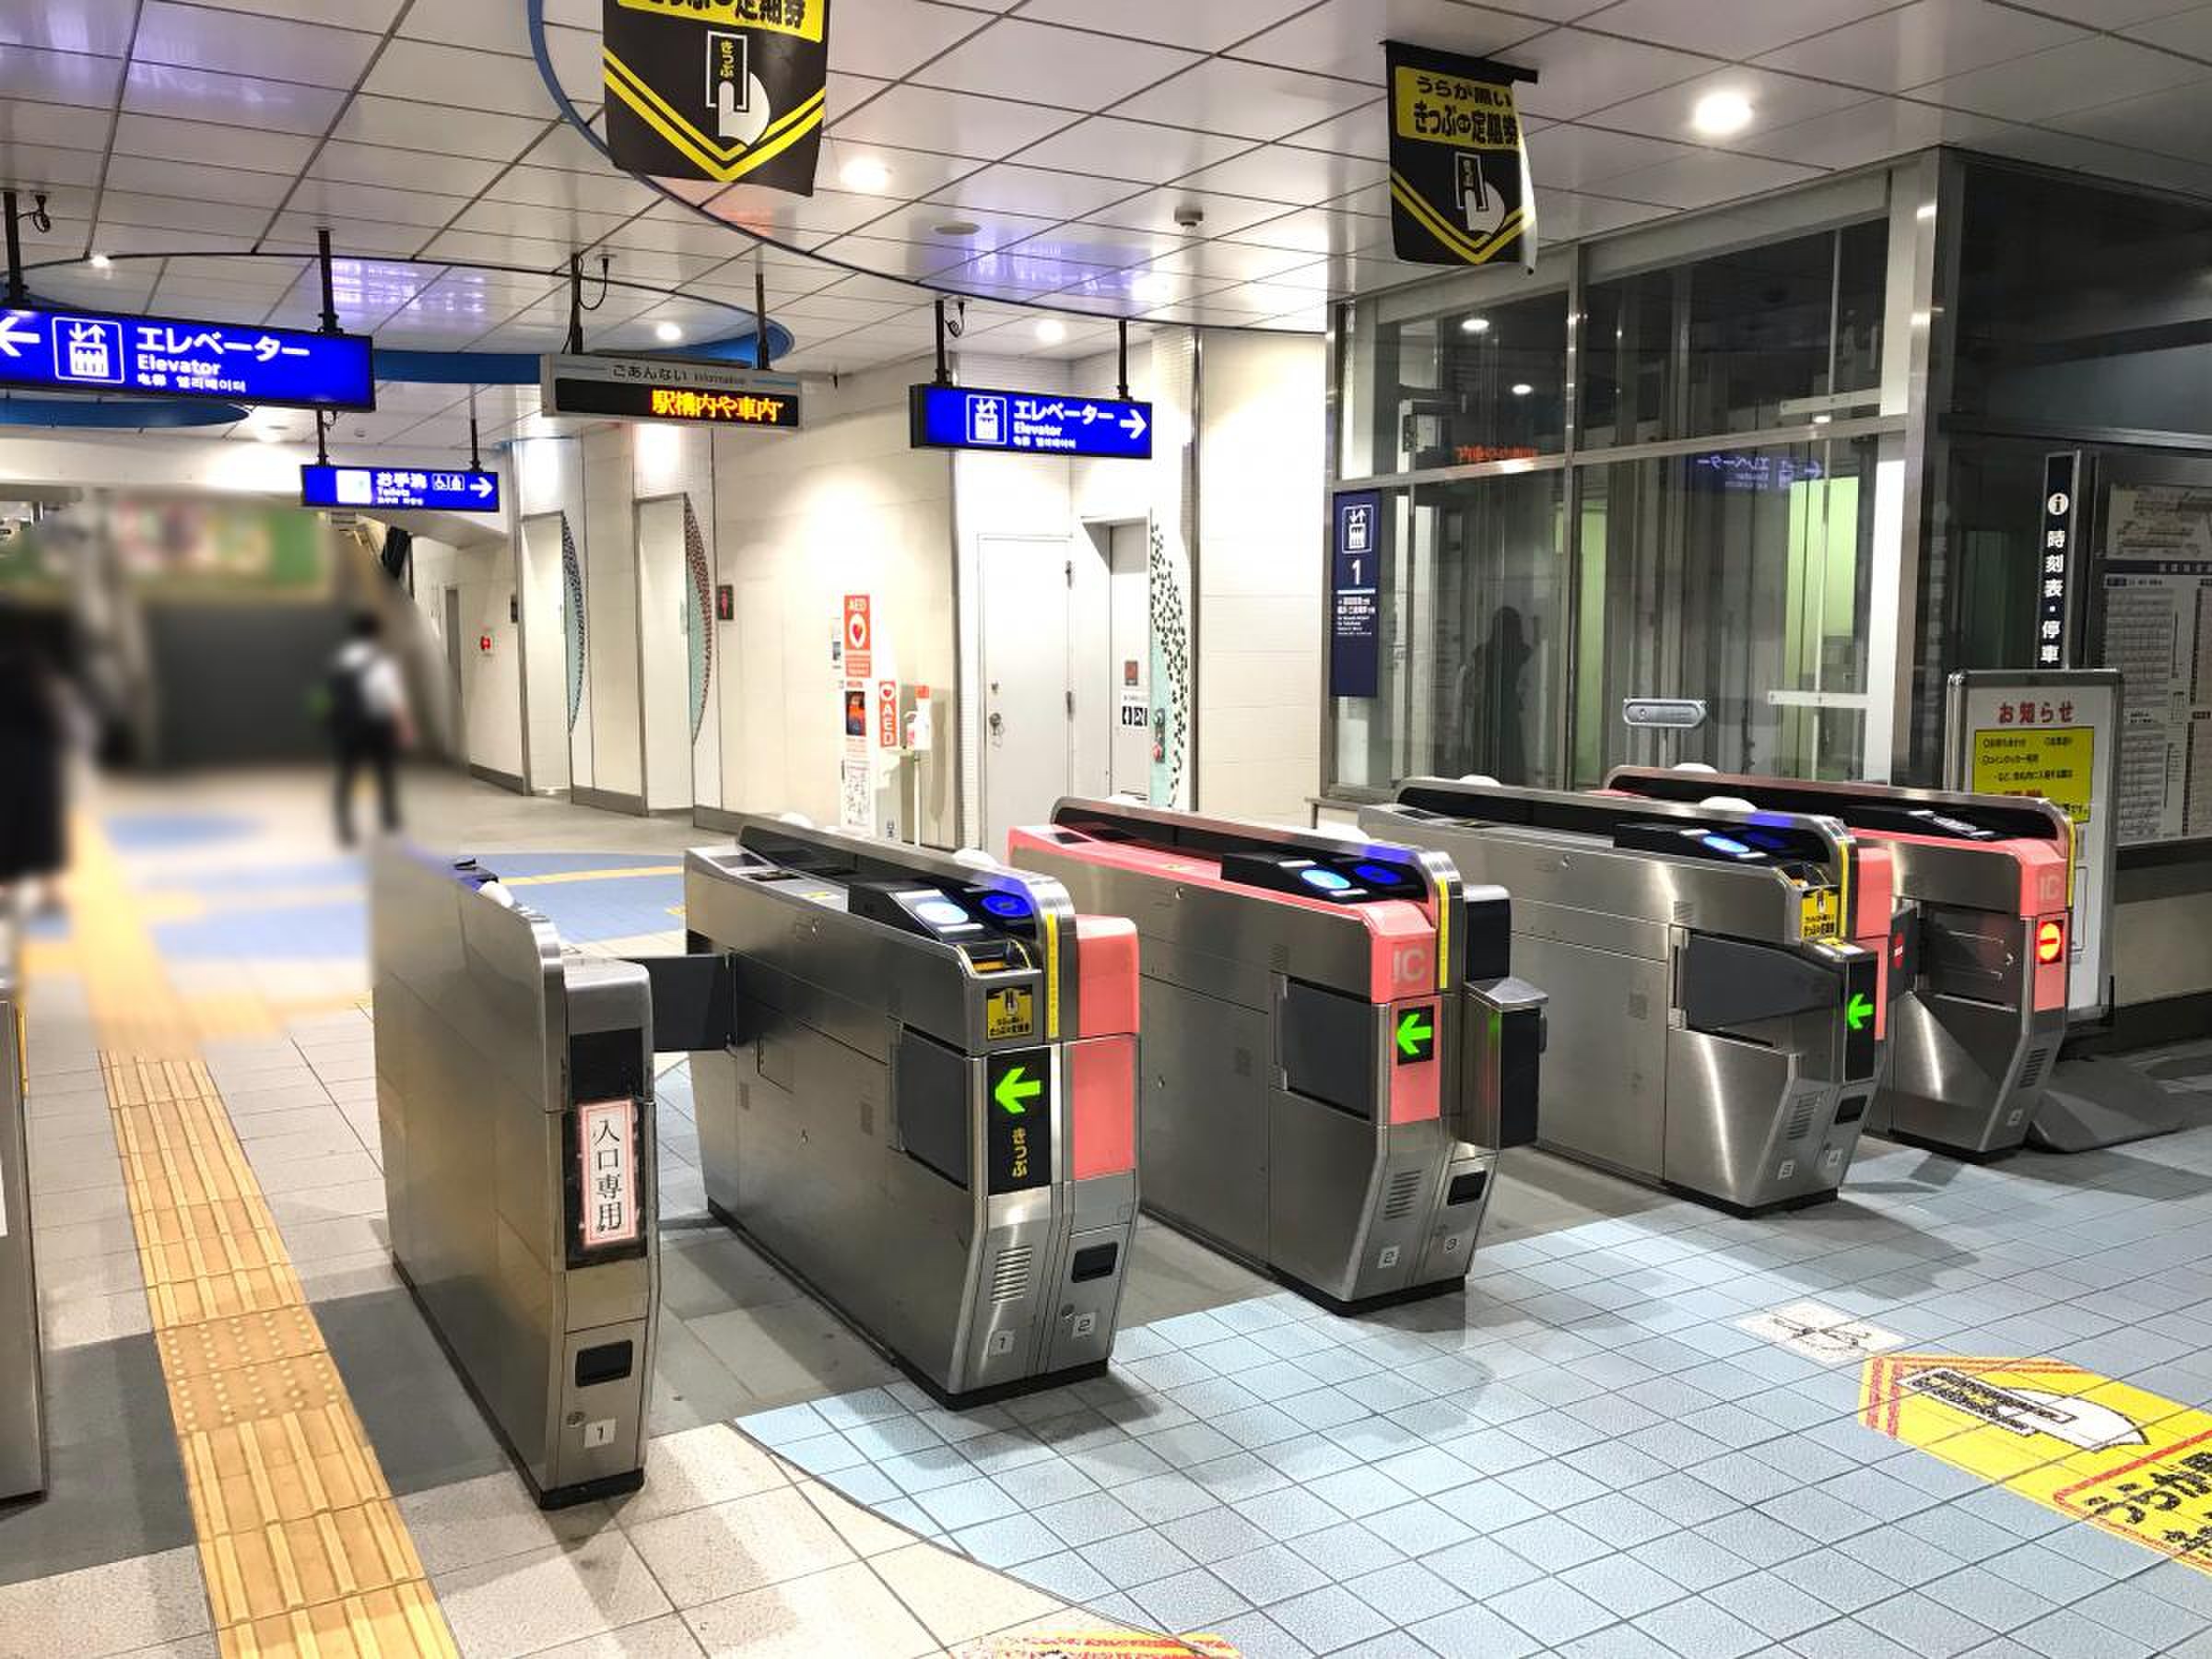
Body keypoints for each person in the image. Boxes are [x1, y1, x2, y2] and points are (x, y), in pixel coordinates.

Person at [327, 611, 412, 845]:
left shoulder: (340, 659)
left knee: (347, 775)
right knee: (385, 773)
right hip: (377, 726)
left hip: (349, 727)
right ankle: (390, 822)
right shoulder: (381, 661)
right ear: (376, 633)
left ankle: (344, 827)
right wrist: (404, 727)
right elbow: (394, 699)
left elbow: (331, 695)